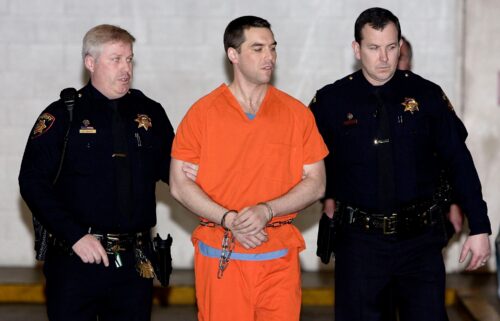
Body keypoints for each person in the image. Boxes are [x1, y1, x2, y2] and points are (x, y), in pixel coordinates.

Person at [310, 7, 491, 321]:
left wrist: (480, 226)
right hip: (359, 244)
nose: (384, 58)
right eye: (374, 48)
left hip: (419, 243)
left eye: (392, 48)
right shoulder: (331, 101)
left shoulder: (427, 96)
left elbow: (458, 160)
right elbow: (300, 162)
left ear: (400, 47)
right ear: (357, 49)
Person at [169, 16, 328, 321]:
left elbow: (317, 182)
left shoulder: (297, 114)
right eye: (257, 49)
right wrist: (228, 218)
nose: (269, 57)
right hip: (222, 255)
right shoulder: (203, 113)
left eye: (272, 48)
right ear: (233, 54)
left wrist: (267, 210)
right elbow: (178, 184)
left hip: (279, 258)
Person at [19, 24, 176, 321]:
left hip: (134, 262)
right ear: (90, 63)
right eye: (115, 59)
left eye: (129, 59)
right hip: (76, 259)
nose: (125, 68)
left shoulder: (150, 113)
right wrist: (75, 236)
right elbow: (32, 181)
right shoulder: (63, 115)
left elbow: (176, 173)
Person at [398, 36, 465, 238]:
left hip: (426, 211)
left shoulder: (428, 98)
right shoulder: (365, 100)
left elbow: (452, 156)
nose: (394, 61)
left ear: (410, 61)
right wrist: (329, 200)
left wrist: (454, 204)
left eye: (402, 56)